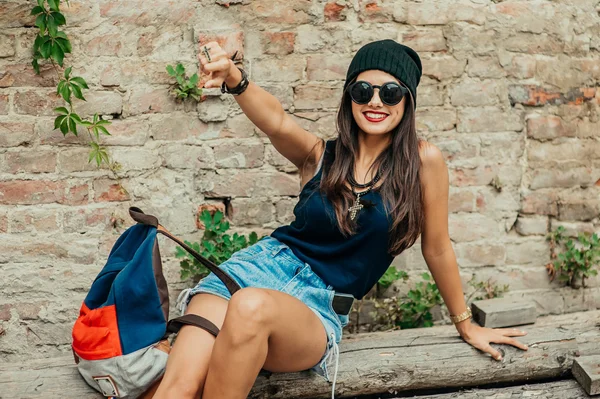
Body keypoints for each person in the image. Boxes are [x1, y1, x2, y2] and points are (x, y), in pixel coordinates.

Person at [152, 39, 529, 399]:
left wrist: (465, 323)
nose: (375, 101)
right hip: (254, 271)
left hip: (318, 306)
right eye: (363, 91)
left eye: (390, 92)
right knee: (179, 389)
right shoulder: (319, 155)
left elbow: (437, 247)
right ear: (350, 96)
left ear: (408, 101)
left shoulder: (423, 162)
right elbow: (276, 122)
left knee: (250, 306)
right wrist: (235, 78)